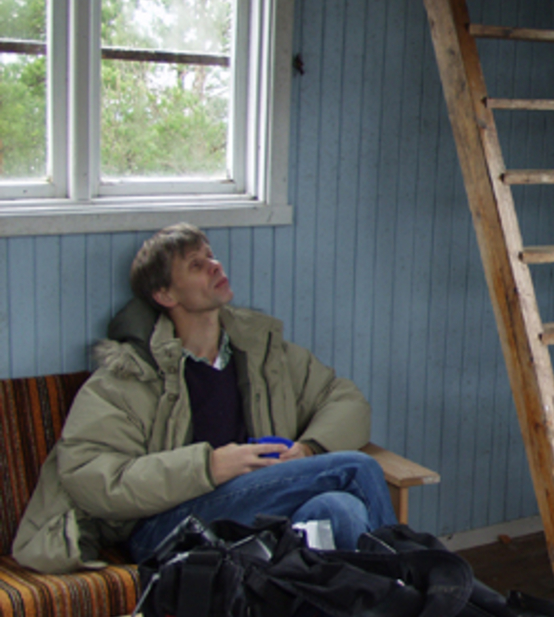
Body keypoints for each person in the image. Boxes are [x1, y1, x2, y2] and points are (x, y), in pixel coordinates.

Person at [13, 223, 397, 574]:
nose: (214, 266)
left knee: (341, 510)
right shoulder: (127, 376)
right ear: (164, 294)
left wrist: (309, 450)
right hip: (168, 527)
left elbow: (345, 399)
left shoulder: (262, 353)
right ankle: (412, 601)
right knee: (358, 470)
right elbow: (92, 478)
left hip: (258, 510)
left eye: (211, 256)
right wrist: (209, 466)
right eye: (196, 265)